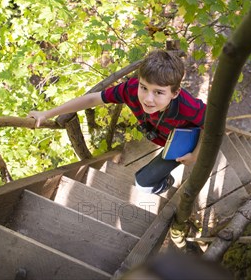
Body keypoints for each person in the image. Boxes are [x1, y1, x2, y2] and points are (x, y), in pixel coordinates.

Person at [27, 49, 206, 195]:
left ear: (174, 93)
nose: (148, 99)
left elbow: (212, 125)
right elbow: (92, 99)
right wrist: (48, 113)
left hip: (183, 144)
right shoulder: (130, 89)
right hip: (162, 137)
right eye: (144, 88)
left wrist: (196, 154)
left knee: (143, 184)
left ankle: (163, 181)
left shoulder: (187, 106)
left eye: (158, 92)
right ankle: (165, 179)